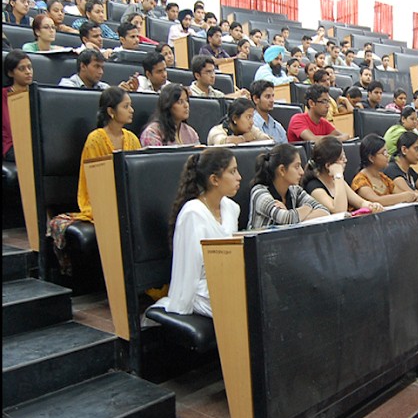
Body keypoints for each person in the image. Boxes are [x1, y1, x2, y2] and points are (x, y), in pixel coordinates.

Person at [46, 87, 141, 275]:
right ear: (111, 111)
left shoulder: (131, 138)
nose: (132, 110)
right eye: (126, 106)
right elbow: (93, 182)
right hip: (101, 201)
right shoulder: (95, 140)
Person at [154, 148, 241, 317]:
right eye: (232, 171)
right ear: (214, 179)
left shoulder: (231, 208)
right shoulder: (193, 213)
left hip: (227, 279)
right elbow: (190, 272)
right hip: (200, 289)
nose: (239, 177)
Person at [249, 144, 330, 228]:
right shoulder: (259, 192)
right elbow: (285, 218)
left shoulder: (295, 190)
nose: (302, 172)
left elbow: (324, 211)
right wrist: (307, 208)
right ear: (282, 170)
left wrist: (293, 217)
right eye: (297, 166)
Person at [302, 137, 383, 214]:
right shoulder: (314, 186)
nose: (346, 160)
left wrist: (372, 206)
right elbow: (338, 211)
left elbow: (360, 202)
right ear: (328, 165)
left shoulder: (338, 181)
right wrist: (338, 175)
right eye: (341, 159)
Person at [351, 134, 418, 206]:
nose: (387, 156)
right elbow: (376, 200)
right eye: (384, 153)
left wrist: (411, 196)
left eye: (387, 152)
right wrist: (404, 196)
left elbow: (399, 193)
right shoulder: (360, 180)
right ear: (371, 158)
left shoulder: (384, 178)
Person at [3, 50, 33, 161]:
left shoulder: (36, 94)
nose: (28, 72)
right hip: (12, 146)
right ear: (10, 73)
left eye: (30, 67)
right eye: (22, 69)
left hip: (34, 144)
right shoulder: (3, 96)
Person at [59, 49, 138, 91]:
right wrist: (112, 95)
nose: (101, 72)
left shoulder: (104, 87)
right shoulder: (66, 85)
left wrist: (122, 93)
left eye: (102, 68)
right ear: (83, 66)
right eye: (96, 66)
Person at [207, 98, 272, 145]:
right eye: (248, 117)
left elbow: (267, 139)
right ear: (234, 118)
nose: (252, 122)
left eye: (252, 117)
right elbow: (223, 142)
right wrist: (244, 139)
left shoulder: (250, 129)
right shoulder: (216, 131)